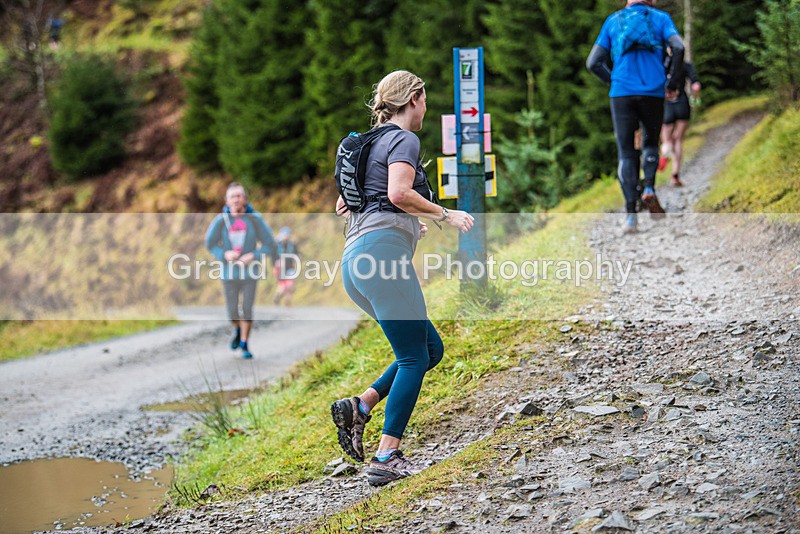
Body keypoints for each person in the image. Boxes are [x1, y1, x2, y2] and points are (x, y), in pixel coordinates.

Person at [330, 70, 474, 486]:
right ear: (414, 98)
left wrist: (408, 224)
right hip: (381, 260)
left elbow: (353, 201)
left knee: (429, 347)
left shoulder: (369, 143)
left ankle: (361, 405)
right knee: (413, 356)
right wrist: (444, 214)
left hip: (355, 264)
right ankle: (386, 456)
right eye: (424, 98)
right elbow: (397, 193)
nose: (425, 106)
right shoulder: (404, 139)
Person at [586, 0, 685, 234]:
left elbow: (593, 62)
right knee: (650, 142)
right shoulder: (660, 19)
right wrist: (671, 83)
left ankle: (631, 216)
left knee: (626, 152)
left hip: (622, 94)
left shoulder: (613, 21)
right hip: (652, 91)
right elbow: (679, 47)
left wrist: (615, 81)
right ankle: (649, 187)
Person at [205, 183, 277, 359]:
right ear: (227, 201)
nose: (236, 199)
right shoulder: (221, 220)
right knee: (231, 311)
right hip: (229, 273)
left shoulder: (254, 219)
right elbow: (210, 243)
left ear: (245, 199)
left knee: (247, 307)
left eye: (239, 196)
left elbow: (270, 244)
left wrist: (253, 255)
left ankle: (244, 343)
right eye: (232, 196)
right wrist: (224, 254)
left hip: (250, 272)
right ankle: (237, 329)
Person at [659, 48, 701, 187]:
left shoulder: (663, 65)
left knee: (666, 138)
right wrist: (695, 100)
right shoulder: (686, 65)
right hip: (682, 104)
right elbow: (695, 86)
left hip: (667, 105)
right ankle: (675, 175)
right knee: (678, 139)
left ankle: (665, 152)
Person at [272, 226, 299, 307]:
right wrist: (276, 263)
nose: (286, 236)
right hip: (280, 268)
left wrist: (298, 258)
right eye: (284, 234)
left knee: (290, 285)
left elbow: (297, 254)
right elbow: (273, 256)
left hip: (290, 267)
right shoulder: (277, 245)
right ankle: (277, 296)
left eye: (287, 234)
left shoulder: (292, 245)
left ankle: (288, 302)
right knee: (283, 286)